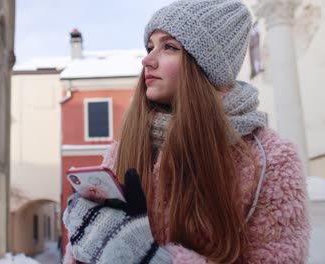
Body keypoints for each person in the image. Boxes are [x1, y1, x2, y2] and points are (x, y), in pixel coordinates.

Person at [62, 0, 311, 263]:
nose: (147, 59)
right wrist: (86, 236)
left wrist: (151, 257)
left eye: (169, 47)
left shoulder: (270, 160)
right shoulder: (125, 149)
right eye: (150, 47)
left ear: (206, 65)